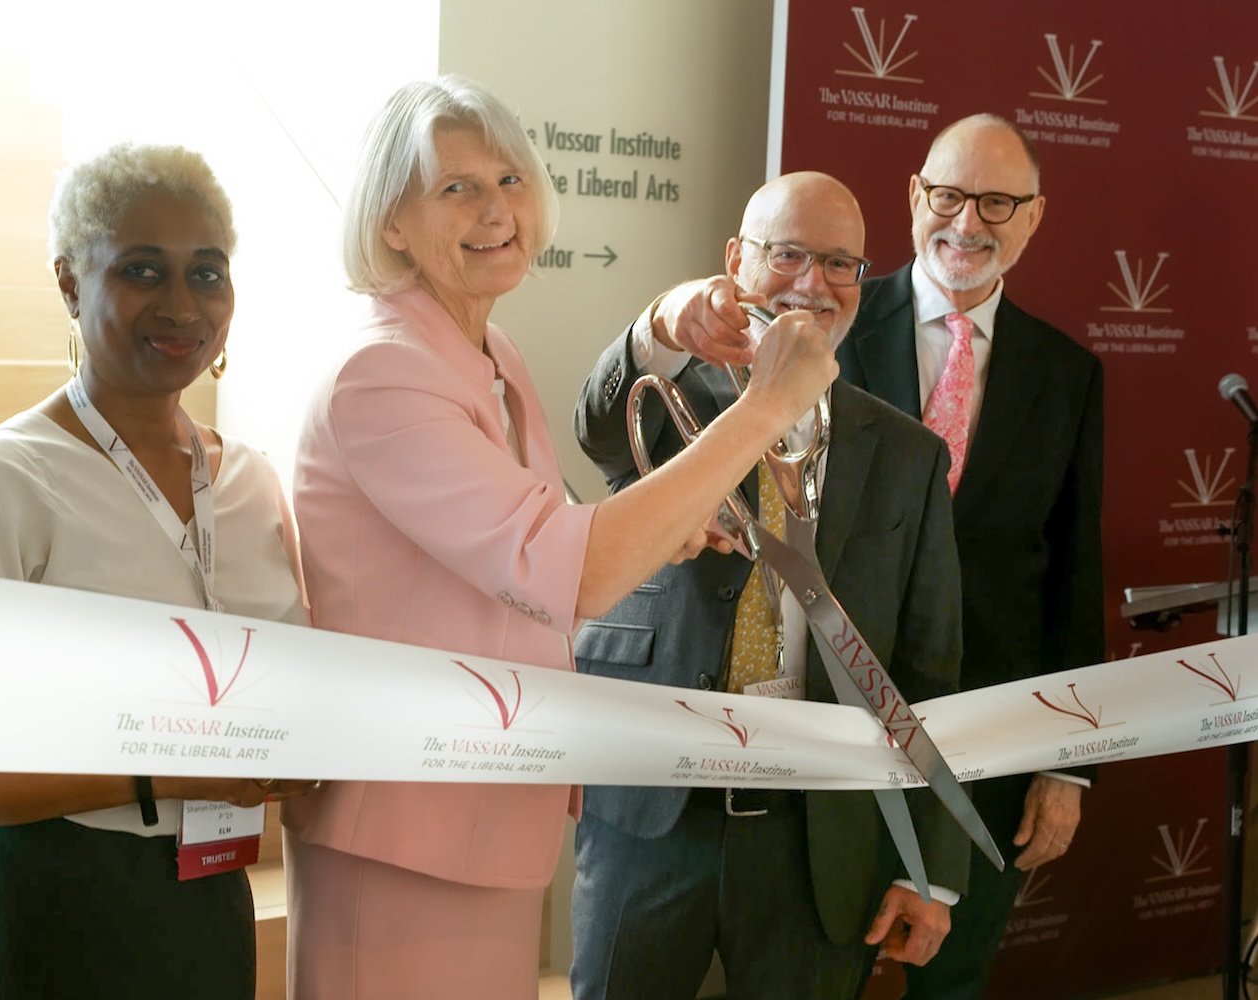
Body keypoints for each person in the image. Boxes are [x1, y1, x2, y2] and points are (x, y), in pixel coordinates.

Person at [286, 76, 838, 1000]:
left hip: (489, 806)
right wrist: (767, 406)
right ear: (390, 221)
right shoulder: (381, 372)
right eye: (456, 187)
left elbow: (516, 553)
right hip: (403, 823)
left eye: (508, 178)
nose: (497, 208)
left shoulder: (489, 355)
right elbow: (564, 569)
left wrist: (662, 534)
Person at [0, 143, 313, 1000]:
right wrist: (162, 772)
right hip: (37, 907)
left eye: (206, 274)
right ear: (70, 283)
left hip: (207, 896)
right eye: (144, 270)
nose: (182, 304)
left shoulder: (250, 482)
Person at [570, 171, 969, 1000]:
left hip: (817, 841)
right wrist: (655, 328)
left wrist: (931, 864)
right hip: (649, 815)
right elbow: (597, 430)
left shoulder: (907, 455)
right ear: (735, 259)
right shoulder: (665, 397)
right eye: (787, 254)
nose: (811, 284)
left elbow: (929, 670)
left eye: (839, 264)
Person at [837, 114, 1104, 999]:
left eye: (998, 201)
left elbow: (1074, 573)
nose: (968, 222)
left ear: (1034, 218)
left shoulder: (1068, 374)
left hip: (990, 745)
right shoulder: (828, 332)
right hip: (833, 729)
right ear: (914, 198)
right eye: (948, 195)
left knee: (951, 984)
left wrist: (1065, 766)